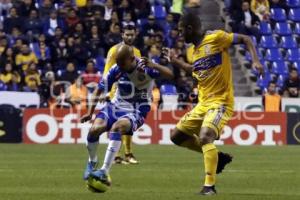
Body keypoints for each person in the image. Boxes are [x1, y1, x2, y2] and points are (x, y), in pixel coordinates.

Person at [168, 12, 263, 195]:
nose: (180, 35)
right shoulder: (194, 52)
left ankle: (209, 186)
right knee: (176, 136)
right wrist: (176, 63)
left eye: (181, 31)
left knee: (205, 137)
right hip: (203, 103)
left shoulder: (216, 37)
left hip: (221, 102)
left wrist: (256, 61)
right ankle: (217, 157)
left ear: (189, 28)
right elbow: (195, 71)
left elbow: (245, 38)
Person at [80, 44, 173, 186]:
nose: (119, 66)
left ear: (131, 59)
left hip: (137, 109)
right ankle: (92, 161)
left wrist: (154, 64)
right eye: (117, 62)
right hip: (115, 106)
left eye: (122, 63)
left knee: (117, 127)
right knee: (94, 130)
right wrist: (89, 112)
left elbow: (170, 74)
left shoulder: (145, 68)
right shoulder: (116, 69)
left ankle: (104, 171)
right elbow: (99, 90)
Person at [103, 24, 142, 164]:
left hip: (133, 92)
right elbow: (107, 71)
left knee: (129, 121)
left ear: (135, 34)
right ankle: (117, 155)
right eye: (127, 34)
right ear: (122, 35)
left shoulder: (137, 52)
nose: (130, 37)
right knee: (116, 122)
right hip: (116, 91)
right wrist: (107, 91)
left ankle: (128, 153)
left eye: (132, 34)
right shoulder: (114, 50)